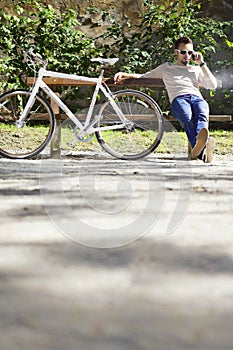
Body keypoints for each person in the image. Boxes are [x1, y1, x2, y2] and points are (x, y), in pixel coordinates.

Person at [114, 36, 218, 163]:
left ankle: (200, 149)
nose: (187, 56)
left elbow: (213, 85)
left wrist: (202, 64)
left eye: (190, 52)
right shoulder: (166, 68)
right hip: (179, 99)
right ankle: (203, 147)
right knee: (188, 118)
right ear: (176, 52)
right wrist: (124, 74)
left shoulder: (196, 69)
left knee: (202, 115)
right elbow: (143, 76)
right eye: (183, 52)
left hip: (197, 98)